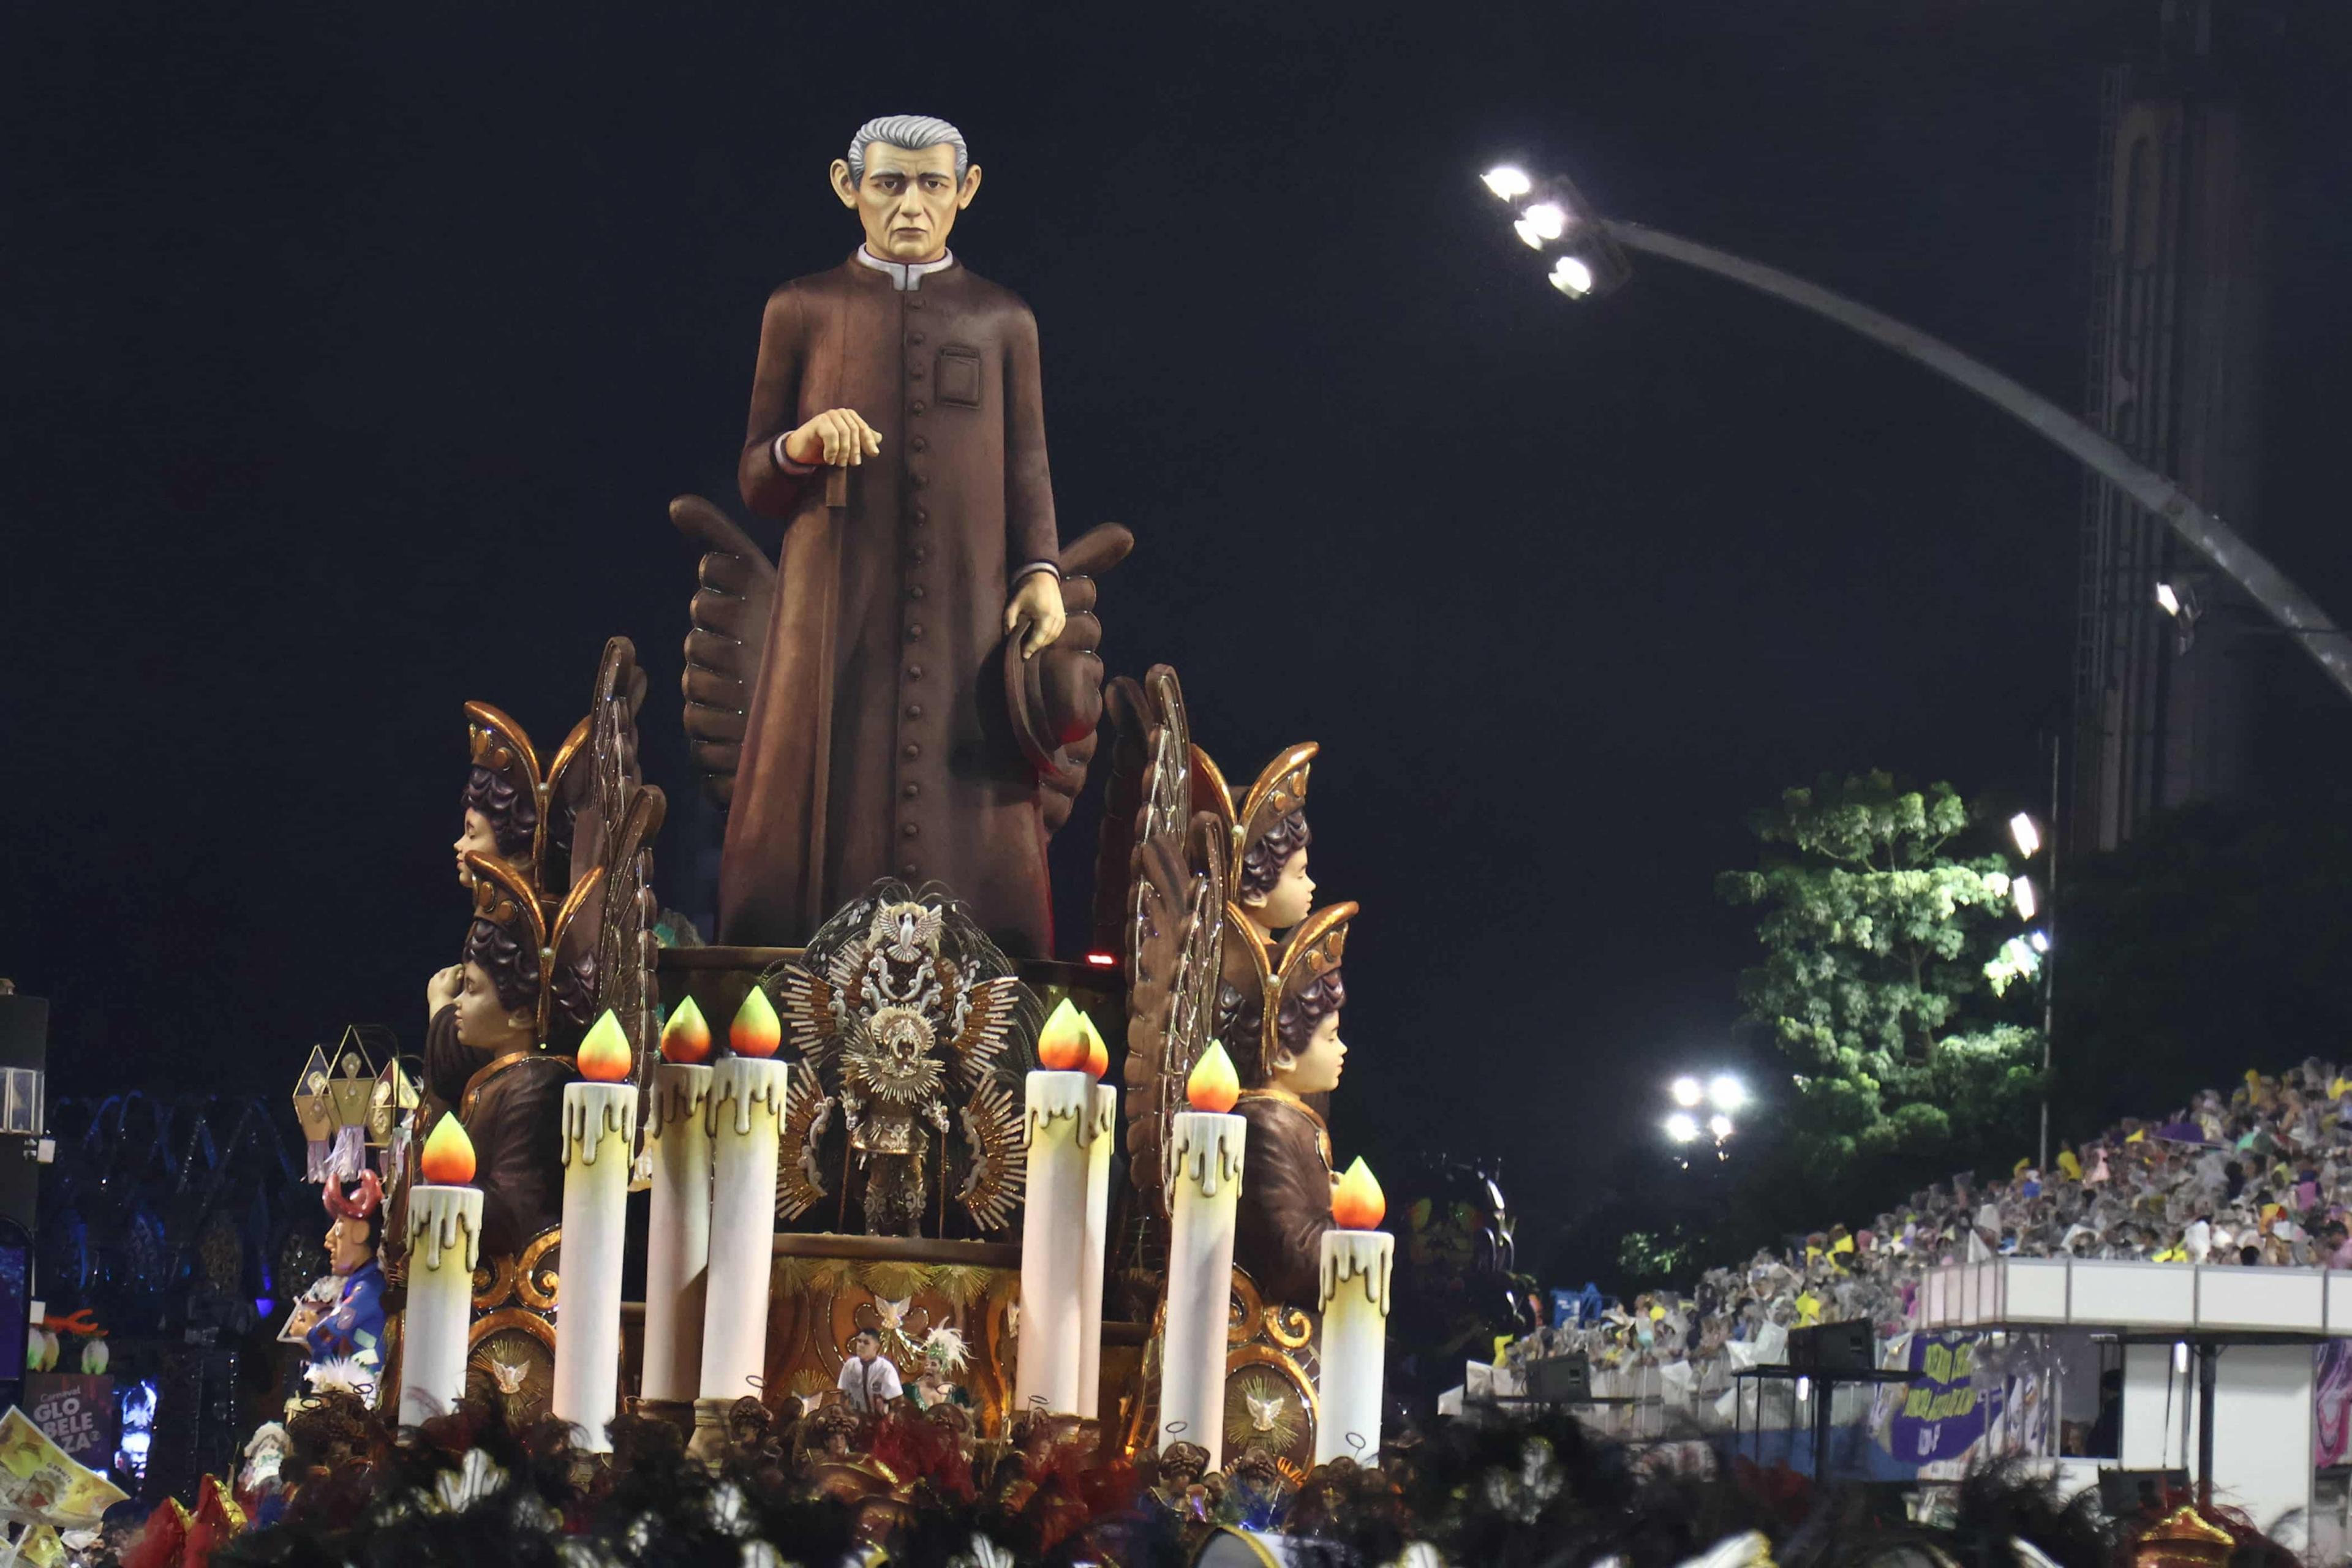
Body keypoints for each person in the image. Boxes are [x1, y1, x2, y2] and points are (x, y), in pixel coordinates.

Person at [719, 113, 1066, 955]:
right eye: (888, 183)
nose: (910, 205)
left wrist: (1041, 569)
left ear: (966, 192)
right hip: (830, 603)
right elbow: (757, 481)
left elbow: (1029, 461)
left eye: (932, 185)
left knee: (974, 798)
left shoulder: (1002, 319)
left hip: (967, 605)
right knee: (810, 788)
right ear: (850, 189)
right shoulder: (803, 308)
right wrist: (799, 446)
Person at [1223, 904, 1357, 1308]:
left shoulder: (1290, 1120)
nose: (1343, 1049)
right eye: (1330, 1038)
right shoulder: (1264, 1128)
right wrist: (1344, 1219)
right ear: (1282, 1054)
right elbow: (1291, 1256)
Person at [836, 1330, 903, 1414]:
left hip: (879, 1420)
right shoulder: (850, 1365)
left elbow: (898, 1400)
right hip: (854, 1419)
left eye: (866, 1343)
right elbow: (842, 1395)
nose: (861, 1345)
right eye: (859, 1341)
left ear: (876, 1347)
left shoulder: (885, 1368)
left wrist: (889, 1417)